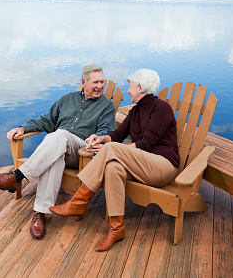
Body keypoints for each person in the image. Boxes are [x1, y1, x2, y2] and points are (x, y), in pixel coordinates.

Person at [49, 69, 180, 251]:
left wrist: (110, 148)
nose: (128, 91)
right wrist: (100, 139)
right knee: (112, 168)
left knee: (111, 151)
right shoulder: (135, 111)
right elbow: (118, 135)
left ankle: (78, 202)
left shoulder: (161, 109)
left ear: (140, 87)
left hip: (162, 166)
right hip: (141, 164)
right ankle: (116, 229)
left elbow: (146, 144)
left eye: (131, 86)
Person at [0, 64, 116, 240]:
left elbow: (106, 131)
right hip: (58, 148)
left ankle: (16, 177)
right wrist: (23, 128)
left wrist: (97, 137)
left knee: (59, 135)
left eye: (102, 82)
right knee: (55, 155)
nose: (100, 86)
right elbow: (47, 120)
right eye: (96, 82)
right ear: (83, 82)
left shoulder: (106, 105)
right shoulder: (67, 99)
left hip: (81, 152)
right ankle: (40, 212)